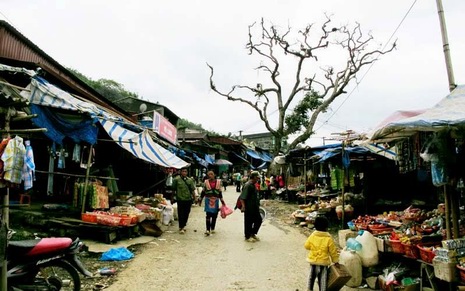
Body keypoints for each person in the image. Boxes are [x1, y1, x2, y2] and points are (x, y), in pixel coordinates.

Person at [304, 216, 339, 291]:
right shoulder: (328, 238)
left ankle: (309, 289)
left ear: (315, 226)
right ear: (326, 227)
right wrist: (335, 261)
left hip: (313, 262)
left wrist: (313, 248)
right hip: (323, 264)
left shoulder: (312, 236)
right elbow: (333, 252)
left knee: (311, 278)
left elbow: (306, 246)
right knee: (323, 280)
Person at [199, 170, 225, 236]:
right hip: (208, 200)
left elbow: (220, 193)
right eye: (209, 174)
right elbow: (203, 192)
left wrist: (222, 201)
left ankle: (212, 227)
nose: (210, 176)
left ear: (214, 175)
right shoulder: (206, 182)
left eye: (211, 174)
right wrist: (200, 199)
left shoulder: (219, 182)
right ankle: (207, 229)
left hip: (216, 200)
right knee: (208, 214)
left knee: (214, 215)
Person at [239, 171, 262, 242]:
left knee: (258, 219)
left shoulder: (253, 184)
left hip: (255, 206)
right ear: (254, 177)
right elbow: (242, 197)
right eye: (257, 178)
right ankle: (248, 236)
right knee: (248, 221)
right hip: (249, 206)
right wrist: (243, 206)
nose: (258, 179)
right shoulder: (248, 185)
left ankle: (252, 233)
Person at [172, 167, 197, 234]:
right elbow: (173, 190)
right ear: (180, 172)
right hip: (180, 199)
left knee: (187, 213)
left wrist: (195, 198)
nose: (184, 173)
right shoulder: (176, 180)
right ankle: (181, 227)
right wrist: (172, 198)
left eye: (185, 171)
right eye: (183, 171)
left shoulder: (190, 180)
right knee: (180, 213)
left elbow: (192, 190)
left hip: (188, 199)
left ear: (187, 172)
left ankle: (184, 224)